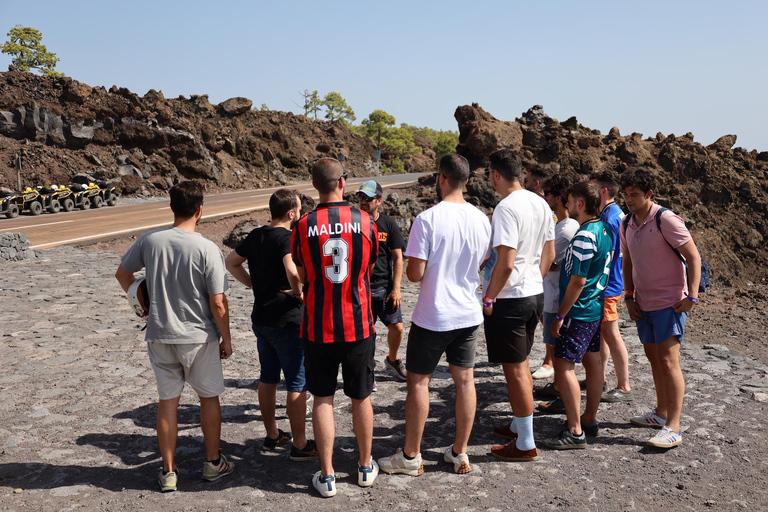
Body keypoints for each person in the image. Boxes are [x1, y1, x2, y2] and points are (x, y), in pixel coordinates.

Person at [115, 181, 235, 492]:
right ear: (200, 210)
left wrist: (140, 305)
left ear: (171, 207)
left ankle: (168, 472)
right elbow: (218, 303)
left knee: (168, 402)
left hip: (159, 334)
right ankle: (212, 463)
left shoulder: (149, 241)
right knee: (208, 397)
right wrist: (227, 339)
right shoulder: (208, 249)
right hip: (198, 337)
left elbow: (123, 275)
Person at [378, 154, 491, 475]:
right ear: (466, 180)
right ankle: (460, 452)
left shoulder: (427, 219)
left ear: (441, 178)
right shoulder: (482, 219)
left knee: (419, 383)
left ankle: (411, 457)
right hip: (468, 313)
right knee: (465, 381)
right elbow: (484, 260)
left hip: (434, 315)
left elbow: (415, 273)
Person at [291, 158, 379, 497]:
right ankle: (364, 465)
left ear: (315, 186)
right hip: (357, 325)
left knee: (322, 398)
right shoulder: (366, 221)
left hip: (317, 325)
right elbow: (369, 266)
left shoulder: (302, 225)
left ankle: (326, 475)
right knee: (361, 397)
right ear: (343, 182)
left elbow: (300, 268)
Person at [225, 189, 318, 461]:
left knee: (267, 378)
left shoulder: (256, 235)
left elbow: (231, 262)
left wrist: (253, 283)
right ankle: (300, 444)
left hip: (261, 319)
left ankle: (272, 433)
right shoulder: (287, 238)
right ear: (291, 213)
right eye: (299, 209)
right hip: (287, 321)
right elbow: (292, 270)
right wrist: (299, 291)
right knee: (297, 383)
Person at [481, 150, 555, 463]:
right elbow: (549, 254)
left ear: (496, 174)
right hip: (534, 293)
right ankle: (518, 424)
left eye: (488, 174)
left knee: (515, 370)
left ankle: (525, 442)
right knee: (521, 361)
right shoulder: (541, 202)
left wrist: (489, 296)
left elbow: (506, 262)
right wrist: (532, 282)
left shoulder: (505, 207)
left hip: (510, 298)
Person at [620, 167, 700, 449]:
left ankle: (674, 427)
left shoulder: (666, 219)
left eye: (635, 195)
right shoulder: (626, 222)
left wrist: (691, 296)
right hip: (643, 302)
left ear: (649, 194)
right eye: (626, 194)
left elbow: (693, 256)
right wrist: (629, 296)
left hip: (669, 303)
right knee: (654, 358)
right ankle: (661, 413)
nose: (629, 199)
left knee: (668, 361)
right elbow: (627, 261)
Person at [540, 181, 612, 450]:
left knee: (564, 366)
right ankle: (589, 419)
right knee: (593, 363)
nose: (566, 204)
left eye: (569, 200)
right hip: (593, 308)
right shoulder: (604, 229)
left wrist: (560, 315)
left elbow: (577, 281)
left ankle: (574, 430)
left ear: (580, 204)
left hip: (578, 310)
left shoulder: (584, 235)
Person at [532, 173, 579, 404]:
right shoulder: (560, 225)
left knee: (560, 351)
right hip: (551, 294)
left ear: (559, 198)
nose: (544, 197)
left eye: (548, 194)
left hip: (556, 296)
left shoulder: (566, 229)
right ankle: (558, 387)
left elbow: (550, 263)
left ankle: (561, 395)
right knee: (556, 347)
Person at [356, 180, 407, 382]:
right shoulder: (354, 222)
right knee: (366, 335)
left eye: (367, 198)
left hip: (384, 289)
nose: (362, 202)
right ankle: (367, 372)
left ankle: (392, 360)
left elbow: (397, 258)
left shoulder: (388, 224)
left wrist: (396, 289)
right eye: (360, 197)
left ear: (379, 201)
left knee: (397, 327)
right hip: (361, 289)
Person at [589, 170, 633, 403]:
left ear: (604, 191)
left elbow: (612, 254)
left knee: (611, 334)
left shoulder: (612, 217)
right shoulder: (609, 213)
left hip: (609, 285)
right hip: (607, 284)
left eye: (594, 187)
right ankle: (602, 378)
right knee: (603, 334)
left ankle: (624, 386)